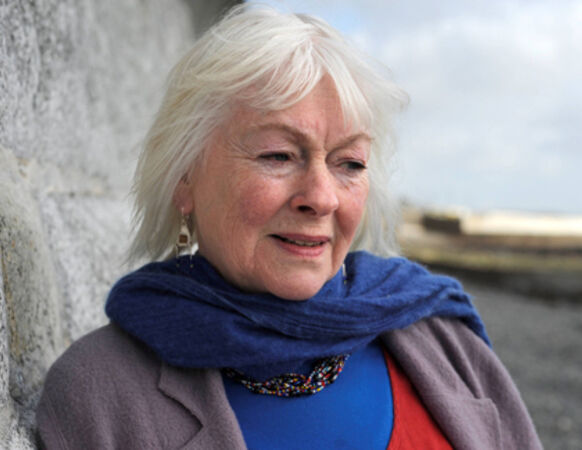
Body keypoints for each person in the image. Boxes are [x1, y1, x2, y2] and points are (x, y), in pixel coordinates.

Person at [36, 5, 542, 449]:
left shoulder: (443, 339)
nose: (321, 197)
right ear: (183, 179)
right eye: (278, 155)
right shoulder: (99, 392)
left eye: (349, 163)